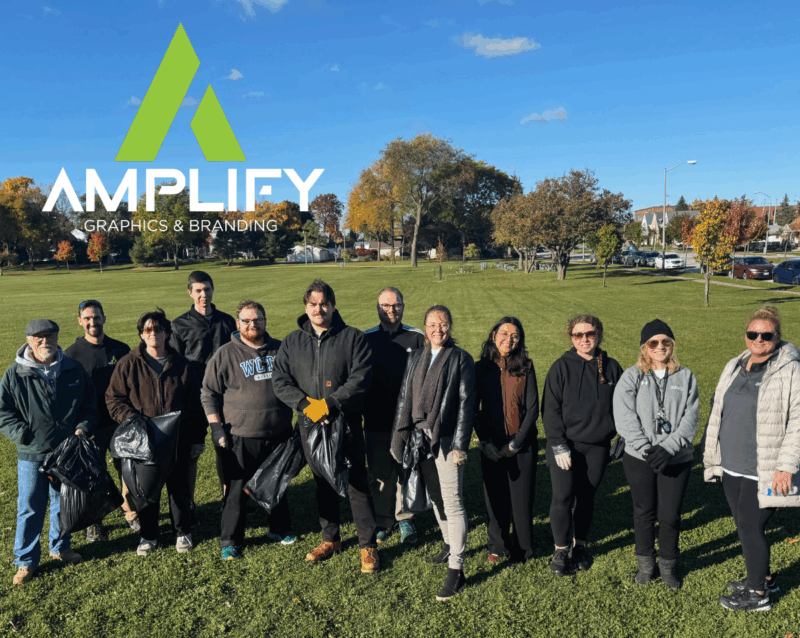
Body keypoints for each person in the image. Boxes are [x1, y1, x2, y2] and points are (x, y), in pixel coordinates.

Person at [273, 280, 380, 574]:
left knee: (356, 483)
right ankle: (330, 539)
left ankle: (368, 545)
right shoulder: (292, 342)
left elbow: (360, 378)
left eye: (324, 304)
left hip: (344, 422)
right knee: (323, 483)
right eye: (313, 304)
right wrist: (305, 404)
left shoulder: (353, 337)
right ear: (305, 306)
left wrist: (331, 403)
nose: (318, 309)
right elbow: (280, 380)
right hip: (310, 424)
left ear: (333, 306)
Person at [704, 306, 800, 612]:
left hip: (766, 468)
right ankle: (764, 577)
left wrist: (785, 467)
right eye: (753, 333)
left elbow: (798, 422)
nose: (759, 339)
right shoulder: (736, 363)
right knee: (744, 524)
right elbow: (718, 406)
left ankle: (758, 595)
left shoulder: (791, 370)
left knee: (749, 525)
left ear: (777, 337)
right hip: (733, 463)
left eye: (766, 335)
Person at [0, 319, 98, 585]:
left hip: (66, 451)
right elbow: (3, 412)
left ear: (57, 338)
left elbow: (90, 403)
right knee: (30, 506)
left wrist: (83, 427)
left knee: (62, 503)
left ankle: (60, 547)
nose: (45, 342)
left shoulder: (73, 369)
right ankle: (25, 561)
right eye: (39, 338)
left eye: (50, 336)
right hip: (31, 453)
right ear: (29, 340)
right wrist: (24, 435)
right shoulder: (15, 373)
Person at [391, 305, 476, 601]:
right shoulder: (416, 357)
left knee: (453, 502)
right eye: (432, 324)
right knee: (437, 496)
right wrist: (399, 437)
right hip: (419, 437)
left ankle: (457, 570)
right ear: (425, 328)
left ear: (450, 326)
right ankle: (449, 544)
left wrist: (460, 445)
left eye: (443, 324)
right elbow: (405, 398)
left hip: (446, 438)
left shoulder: (460, 358)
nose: (437, 329)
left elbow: (466, 405)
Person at [202, 300, 297, 560]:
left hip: (278, 432)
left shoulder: (280, 349)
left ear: (265, 320)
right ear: (238, 323)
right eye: (246, 320)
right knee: (236, 491)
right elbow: (209, 394)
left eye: (257, 319)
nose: (252, 324)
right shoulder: (225, 354)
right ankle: (230, 540)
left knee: (277, 483)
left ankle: (279, 528)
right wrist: (216, 428)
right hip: (240, 434)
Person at [107, 309, 205, 556]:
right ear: (141, 334)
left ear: (167, 333)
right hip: (143, 441)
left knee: (179, 488)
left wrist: (197, 438)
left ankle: (182, 532)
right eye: (148, 330)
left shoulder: (182, 364)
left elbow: (195, 404)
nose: (153, 334)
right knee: (146, 491)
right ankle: (148, 536)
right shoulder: (128, 363)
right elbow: (114, 399)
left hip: (177, 437)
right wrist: (132, 419)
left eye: (159, 329)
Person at [613, 320, 699, 589]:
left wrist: (669, 448)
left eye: (666, 342)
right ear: (645, 347)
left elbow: (691, 417)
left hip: (677, 457)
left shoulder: (686, 376)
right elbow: (624, 416)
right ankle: (646, 564)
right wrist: (646, 448)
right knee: (643, 512)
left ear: (672, 345)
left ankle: (668, 565)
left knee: (670, 515)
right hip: (640, 457)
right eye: (653, 342)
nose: (660, 347)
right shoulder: (632, 376)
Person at [541, 314, 622, 576]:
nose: (584, 339)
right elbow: (550, 410)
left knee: (586, 497)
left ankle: (580, 547)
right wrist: (558, 444)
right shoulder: (560, 367)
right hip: (565, 445)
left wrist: (623, 435)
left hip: (597, 446)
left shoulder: (611, 367)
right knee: (563, 496)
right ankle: (560, 550)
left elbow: (624, 405)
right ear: (571, 337)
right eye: (578, 335)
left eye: (590, 334)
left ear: (599, 335)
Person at [169, 271, 237, 518]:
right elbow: (175, 364)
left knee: (226, 449)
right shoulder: (179, 325)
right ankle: (189, 505)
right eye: (198, 290)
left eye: (207, 289)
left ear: (212, 290)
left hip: (226, 395)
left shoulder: (227, 321)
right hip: (194, 399)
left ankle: (229, 501)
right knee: (192, 453)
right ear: (190, 293)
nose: (203, 295)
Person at [65, 299, 134, 540]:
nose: (92, 322)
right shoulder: (71, 355)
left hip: (119, 422)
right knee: (93, 474)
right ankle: (94, 523)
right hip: (90, 425)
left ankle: (131, 513)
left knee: (127, 469)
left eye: (96, 317)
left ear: (104, 318)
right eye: (87, 318)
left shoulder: (121, 349)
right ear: (80, 321)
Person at [362, 287, 424, 545]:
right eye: (386, 305)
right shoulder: (365, 339)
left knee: (406, 469)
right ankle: (383, 519)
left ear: (403, 306)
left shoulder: (417, 337)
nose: (391, 310)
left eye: (396, 305)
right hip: (375, 419)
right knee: (380, 474)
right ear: (377, 307)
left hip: (407, 422)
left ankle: (405, 517)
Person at [475, 316, 539, 565]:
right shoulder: (481, 368)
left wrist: (516, 443)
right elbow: (473, 409)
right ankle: (498, 546)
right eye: (504, 334)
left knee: (521, 500)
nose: (508, 340)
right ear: (494, 336)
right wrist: (484, 441)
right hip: (492, 444)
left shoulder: (526, 366)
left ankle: (523, 548)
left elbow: (532, 409)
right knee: (495, 498)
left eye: (514, 336)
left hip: (521, 444)